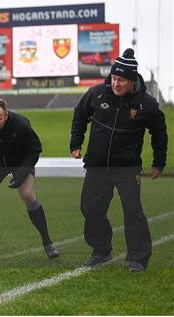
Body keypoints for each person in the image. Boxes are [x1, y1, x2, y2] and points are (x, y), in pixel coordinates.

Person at [70, 48, 167, 272]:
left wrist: (158, 161)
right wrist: (76, 143)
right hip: (97, 165)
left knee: (133, 211)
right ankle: (101, 250)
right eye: (113, 78)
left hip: (127, 167)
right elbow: (80, 116)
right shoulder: (96, 94)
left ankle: (138, 258)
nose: (115, 84)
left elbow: (159, 133)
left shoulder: (147, 104)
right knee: (90, 208)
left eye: (121, 80)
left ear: (132, 81)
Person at [0, 98, 59, 259]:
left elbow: (34, 150)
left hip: (21, 163)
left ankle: (47, 242)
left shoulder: (20, 125)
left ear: (6, 115)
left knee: (27, 194)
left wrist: (22, 172)